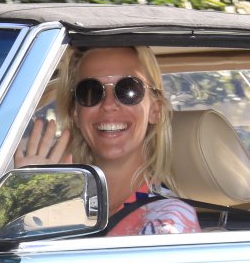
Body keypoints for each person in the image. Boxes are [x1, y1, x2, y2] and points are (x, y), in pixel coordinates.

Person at [14, 46, 200, 237]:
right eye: (90, 91)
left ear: (154, 110)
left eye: (128, 90)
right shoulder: (63, 202)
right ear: (76, 114)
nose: (109, 105)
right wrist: (29, 203)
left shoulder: (168, 221)